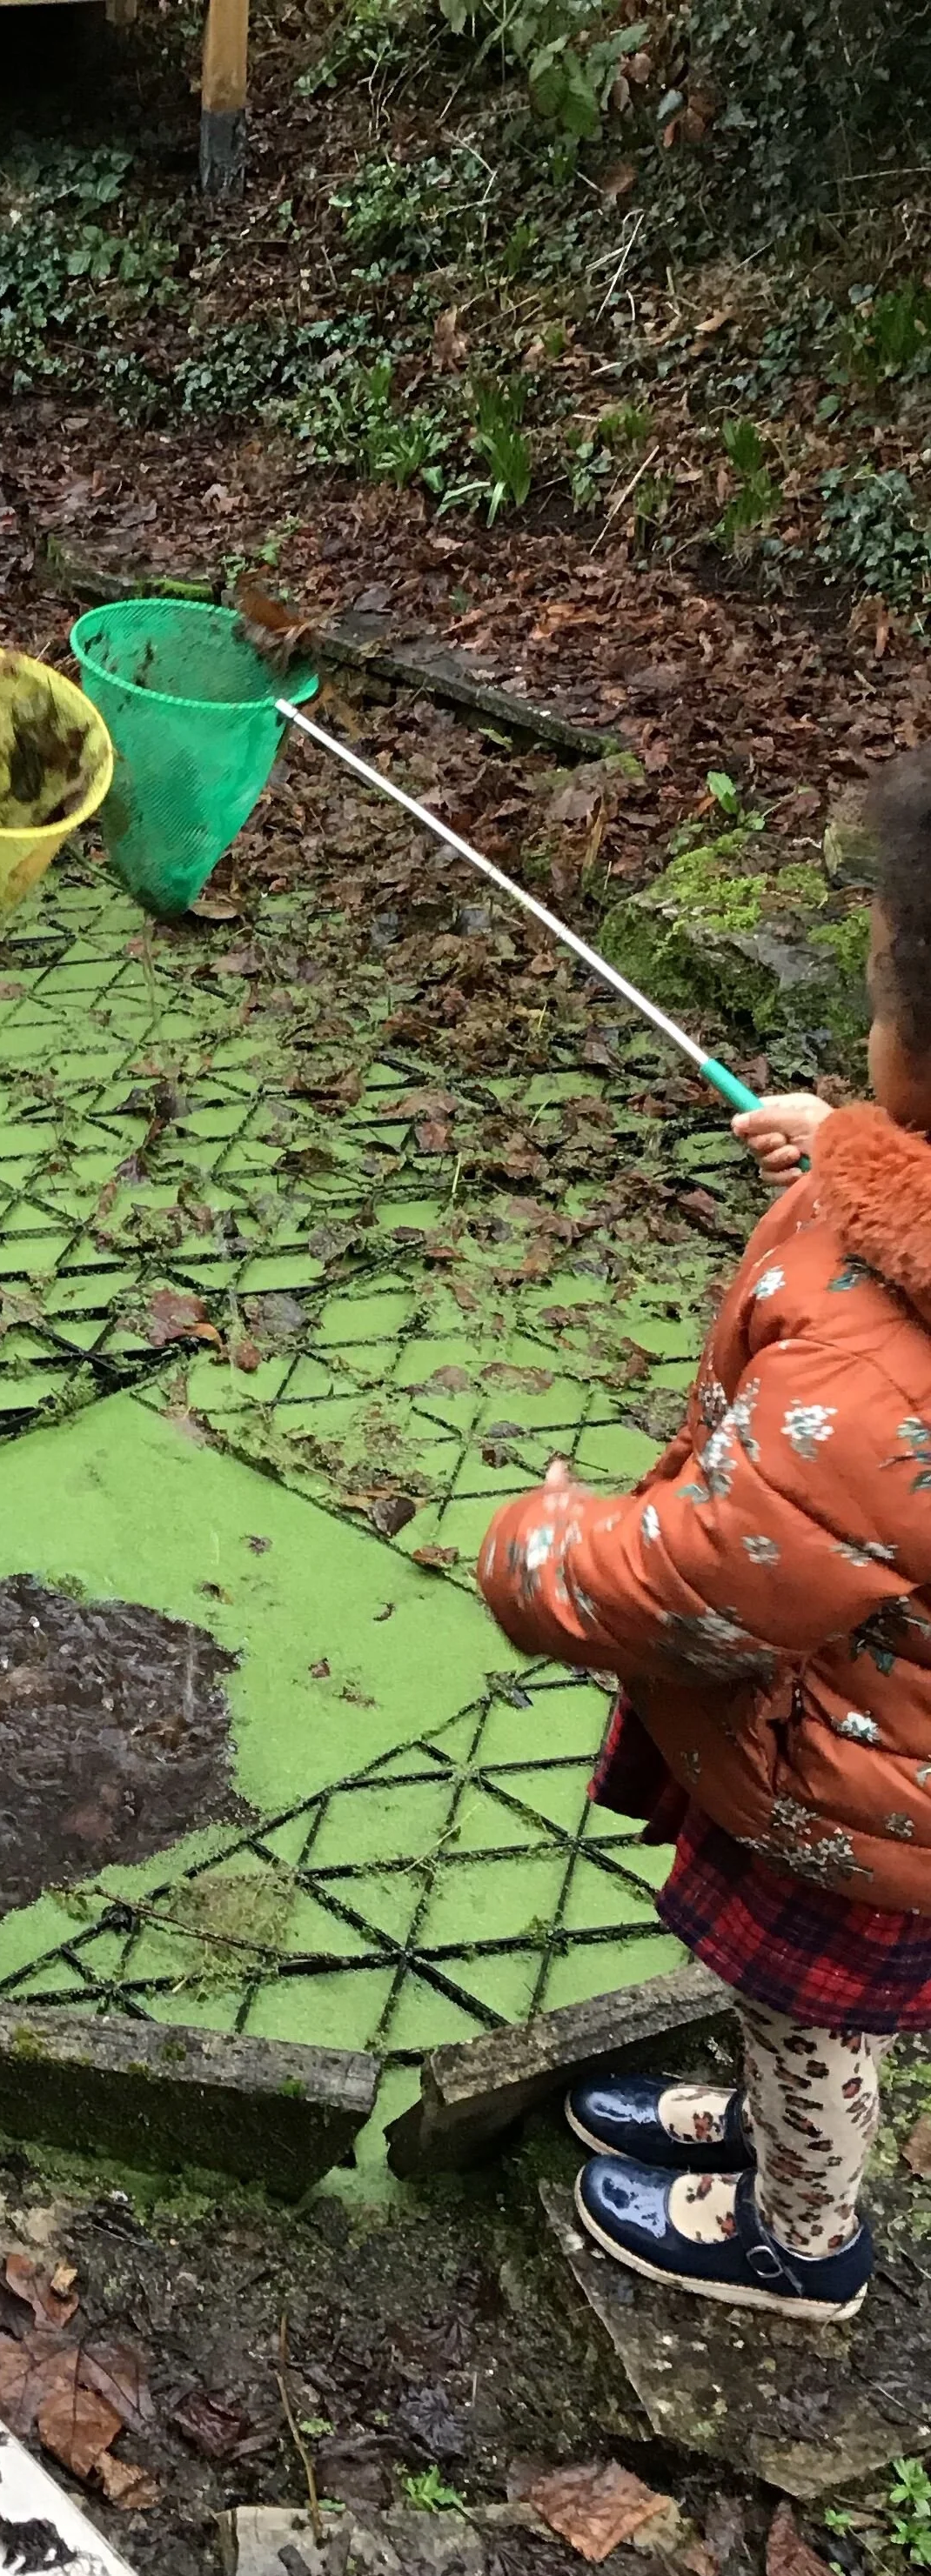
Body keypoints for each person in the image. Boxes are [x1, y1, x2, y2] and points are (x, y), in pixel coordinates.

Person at [477, 746, 931, 2321]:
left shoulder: (887, 1391)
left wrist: (539, 1550)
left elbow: (700, 1582)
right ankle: (763, 2132)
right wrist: (849, 1155)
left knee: (812, 2017)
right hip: (870, 1747)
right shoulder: (906, 1213)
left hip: (863, 1794)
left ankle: (802, 2241)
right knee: (785, 2013)